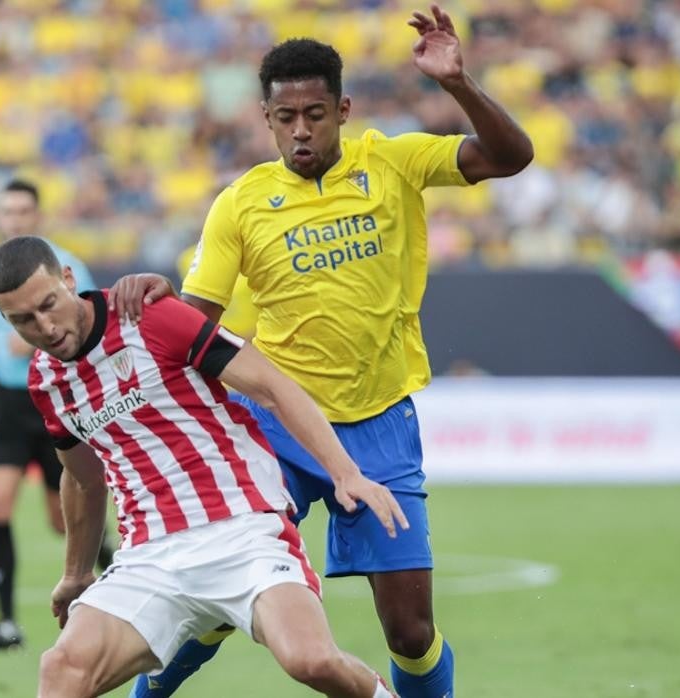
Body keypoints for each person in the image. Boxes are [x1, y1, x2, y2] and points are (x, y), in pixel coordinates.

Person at [111, 7, 534, 697]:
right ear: (266, 117)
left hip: (378, 423)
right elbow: (197, 323)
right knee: (219, 597)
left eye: (314, 113)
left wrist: (459, 85)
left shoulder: (393, 162)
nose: (301, 129)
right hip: (273, 426)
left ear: (342, 109)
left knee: (411, 632)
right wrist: (159, 301)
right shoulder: (240, 203)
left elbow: (511, 157)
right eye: (286, 118)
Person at [0, 235, 409, 698]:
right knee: (61, 669)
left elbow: (271, 387)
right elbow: (84, 479)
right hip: (151, 556)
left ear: (68, 280)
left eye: (49, 304)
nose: (44, 326)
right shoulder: (46, 380)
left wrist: (344, 472)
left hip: (243, 530)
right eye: (22, 320)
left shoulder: (147, 314)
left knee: (311, 660)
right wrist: (76, 573)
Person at [0, 179, 116, 650]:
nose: (15, 220)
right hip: (8, 400)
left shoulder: (65, 265)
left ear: (37, 216)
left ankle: (116, 576)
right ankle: (6, 621)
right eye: (7, 212)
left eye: (23, 211)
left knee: (63, 520)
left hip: (56, 400)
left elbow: (92, 328)